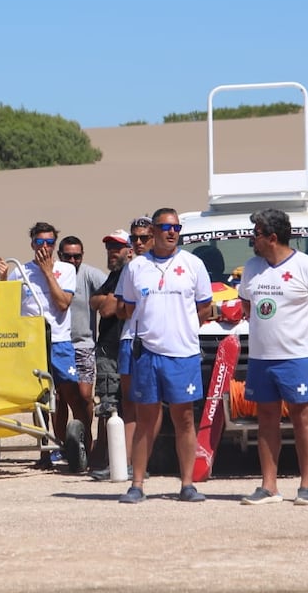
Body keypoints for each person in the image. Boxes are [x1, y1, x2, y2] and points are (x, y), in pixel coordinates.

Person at [238, 208, 308, 505]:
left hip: (297, 357)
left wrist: (298, 332)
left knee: (302, 417)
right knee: (266, 418)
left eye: (255, 234)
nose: (251, 240)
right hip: (261, 358)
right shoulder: (253, 267)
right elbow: (246, 306)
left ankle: (307, 485)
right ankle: (269, 486)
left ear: (272, 237)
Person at [117, 208, 214, 504]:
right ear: (155, 230)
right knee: (146, 419)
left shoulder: (193, 264)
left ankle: (187, 484)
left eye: (176, 227)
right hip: (147, 353)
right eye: (165, 227)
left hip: (182, 354)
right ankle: (137, 484)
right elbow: (127, 308)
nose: (172, 232)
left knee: (184, 418)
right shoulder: (136, 267)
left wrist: (180, 327)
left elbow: (204, 308)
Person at [0, 221, 80, 467]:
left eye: (50, 243)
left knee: (67, 394)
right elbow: (6, 307)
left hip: (59, 340)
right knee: (40, 398)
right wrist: (3, 280)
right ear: (32, 243)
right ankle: (45, 449)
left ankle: (69, 443)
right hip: (31, 343)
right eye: (40, 242)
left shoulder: (65, 269)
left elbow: (63, 303)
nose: (45, 247)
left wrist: (47, 272)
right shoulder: (20, 271)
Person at [108, 216, 154, 479]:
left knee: (150, 403)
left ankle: (140, 462)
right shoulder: (130, 266)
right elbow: (119, 307)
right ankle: (124, 462)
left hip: (153, 340)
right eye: (134, 238)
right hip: (128, 337)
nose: (137, 243)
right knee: (129, 404)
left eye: (143, 238)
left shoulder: (161, 264)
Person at [57, 235, 107, 465]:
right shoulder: (54, 275)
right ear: (60, 256)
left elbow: (112, 288)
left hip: (83, 344)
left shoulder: (88, 274)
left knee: (85, 395)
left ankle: (86, 439)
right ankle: (59, 447)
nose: (72, 260)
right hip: (58, 344)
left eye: (77, 256)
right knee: (58, 398)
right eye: (68, 256)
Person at [87, 229, 132, 477]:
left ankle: (122, 462)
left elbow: (106, 309)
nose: (112, 252)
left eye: (117, 247)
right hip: (107, 347)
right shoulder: (115, 275)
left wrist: (108, 302)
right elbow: (95, 302)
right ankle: (108, 461)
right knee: (107, 404)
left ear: (129, 250)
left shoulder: (130, 273)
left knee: (123, 406)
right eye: (108, 247)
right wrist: (107, 299)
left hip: (123, 346)